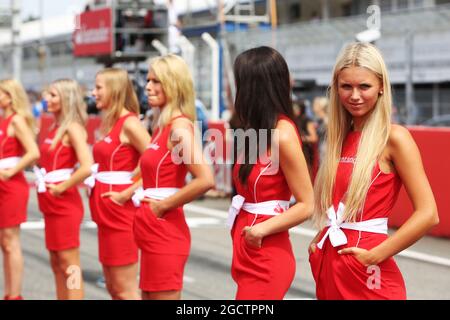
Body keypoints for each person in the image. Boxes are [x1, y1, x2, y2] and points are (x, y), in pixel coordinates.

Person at [308, 42, 439, 300]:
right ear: (336, 88)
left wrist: (377, 254)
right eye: (346, 86)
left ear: (381, 87)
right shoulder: (338, 137)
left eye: (364, 86)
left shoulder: (394, 138)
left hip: (369, 271)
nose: (355, 95)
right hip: (329, 264)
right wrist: (317, 239)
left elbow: (428, 214)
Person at [121, 54, 214, 300]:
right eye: (148, 80)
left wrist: (161, 207)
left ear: (174, 85)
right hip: (152, 229)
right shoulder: (161, 125)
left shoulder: (179, 128)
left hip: (165, 231)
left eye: (157, 81)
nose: (148, 87)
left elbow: (205, 179)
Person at [229, 46, 314, 300]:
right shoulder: (255, 129)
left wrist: (260, 230)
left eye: (241, 83)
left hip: (266, 254)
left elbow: (306, 204)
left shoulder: (283, 133)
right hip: (247, 251)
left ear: (255, 87)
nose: (238, 91)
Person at [88, 68, 151, 300]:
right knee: (113, 287)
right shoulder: (108, 121)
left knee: (125, 290)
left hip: (121, 212)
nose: (93, 93)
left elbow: (156, 164)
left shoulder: (130, 123)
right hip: (104, 210)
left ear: (114, 90)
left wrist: (127, 192)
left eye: (98, 87)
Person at [36, 79, 93, 300]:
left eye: (53, 95)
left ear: (66, 98)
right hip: (49, 203)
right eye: (47, 94)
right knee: (56, 261)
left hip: (64, 203)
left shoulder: (74, 127)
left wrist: (62, 187)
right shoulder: (53, 126)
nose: (46, 99)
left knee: (70, 264)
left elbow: (86, 166)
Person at [0, 79, 40, 300]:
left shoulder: (16, 121)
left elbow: (33, 152)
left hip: (11, 185)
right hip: (2, 184)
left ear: (10, 95)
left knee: (10, 241)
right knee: (4, 243)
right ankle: (9, 292)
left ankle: (14, 295)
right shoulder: (3, 121)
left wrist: (11, 171)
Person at [293, 99, 318, 174]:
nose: (293, 110)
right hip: (298, 152)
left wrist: (300, 139)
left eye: (295, 108)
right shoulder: (294, 120)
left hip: (307, 152)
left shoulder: (307, 120)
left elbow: (314, 138)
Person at [312, 96, 329, 162]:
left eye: (316, 104)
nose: (314, 106)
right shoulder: (319, 119)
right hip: (320, 146)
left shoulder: (326, 120)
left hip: (325, 147)